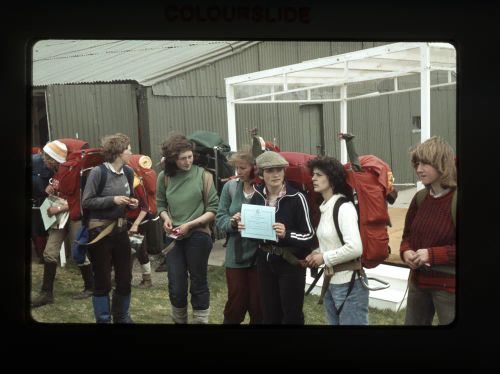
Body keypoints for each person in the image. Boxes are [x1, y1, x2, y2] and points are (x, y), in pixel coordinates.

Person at [237, 151, 315, 324]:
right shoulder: (256, 196)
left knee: (291, 315)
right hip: (264, 262)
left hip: (290, 263)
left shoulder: (297, 198)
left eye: (279, 170)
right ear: (261, 174)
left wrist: (286, 234)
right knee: (269, 314)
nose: (276, 174)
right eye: (270, 170)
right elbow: (254, 234)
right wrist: (244, 227)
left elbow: (310, 236)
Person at [156, 134, 219, 324]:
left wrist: (190, 225)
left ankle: (200, 321)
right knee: (176, 284)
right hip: (174, 237)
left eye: (190, 156)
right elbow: (160, 205)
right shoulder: (164, 177)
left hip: (198, 235)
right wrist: (166, 218)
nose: (187, 161)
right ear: (172, 159)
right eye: (182, 158)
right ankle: (179, 320)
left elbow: (213, 210)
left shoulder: (204, 176)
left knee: (198, 282)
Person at [81, 133, 139, 323]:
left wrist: (131, 203)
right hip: (100, 233)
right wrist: (112, 200)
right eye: (128, 148)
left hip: (121, 232)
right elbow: (87, 201)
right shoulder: (98, 173)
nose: (131, 151)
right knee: (103, 281)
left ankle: (121, 317)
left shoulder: (129, 172)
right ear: (118, 152)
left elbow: (127, 198)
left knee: (124, 279)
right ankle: (104, 319)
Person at [304, 156, 369, 325]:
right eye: (313, 174)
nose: (313, 178)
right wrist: (316, 253)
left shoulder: (344, 208)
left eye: (318, 174)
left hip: (350, 284)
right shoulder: (327, 207)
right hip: (332, 282)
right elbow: (332, 242)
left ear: (332, 178)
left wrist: (323, 258)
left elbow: (355, 248)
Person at [400, 136, 457, 325]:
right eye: (417, 163)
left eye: (425, 163)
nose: (418, 169)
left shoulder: (457, 200)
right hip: (418, 283)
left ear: (442, 164)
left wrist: (432, 255)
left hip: (449, 289)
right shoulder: (420, 198)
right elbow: (407, 235)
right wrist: (406, 251)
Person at [31, 140, 95, 308]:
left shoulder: (74, 170)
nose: (43, 160)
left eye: (46, 157)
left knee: (77, 251)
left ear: (53, 158)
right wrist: (51, 189)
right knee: (49, 252)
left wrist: (57, 208)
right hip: (62, 216)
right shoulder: (59, 171)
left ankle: (90, 286)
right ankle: (46, 293)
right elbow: (62, 192)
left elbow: (79, 200)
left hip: (73, 216)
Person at [215, 149, 263, 324]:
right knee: (236, 303)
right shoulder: (231, 187)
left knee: (258, 305)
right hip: (236, 254)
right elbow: (220, 217)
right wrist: (232, 223)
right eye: (236, 168)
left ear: (254, 168)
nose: (238, 172)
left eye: (242, 168)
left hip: (260, 255)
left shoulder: (263, 188)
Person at [127, 154, 155, 288]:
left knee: (136, 250)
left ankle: (146, 279)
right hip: (128, 221)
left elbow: (144, 207)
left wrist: (135, 224)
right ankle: (143, 278)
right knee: (133, 250)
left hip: (139, 221)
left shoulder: (137, 183)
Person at [31, 147, 53, 263]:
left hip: (42, 198)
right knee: (40, 229)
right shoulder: (39, 161)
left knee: (39, 229)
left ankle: (43, 256)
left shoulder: (43, 163)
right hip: (42, 198)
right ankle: (43, 255)